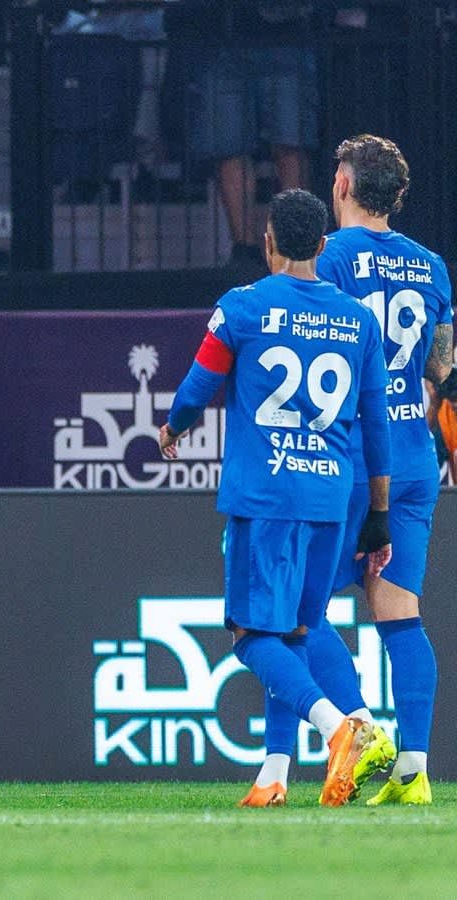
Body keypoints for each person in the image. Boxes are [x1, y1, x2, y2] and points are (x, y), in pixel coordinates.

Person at [157, 188, 397, 807]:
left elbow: (198, 385)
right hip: (329, 498)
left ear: (267, 242)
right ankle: (273, 775)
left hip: (263, 495)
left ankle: (339, 727)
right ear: (322, 246)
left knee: (249, 634)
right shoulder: (358, 320)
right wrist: (377, 514)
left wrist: (174, 428)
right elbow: (377, 425)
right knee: (294, 632)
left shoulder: (242, 307)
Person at [246, 136, 452, 806]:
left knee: (290, 616)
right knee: (399, 612)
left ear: (340, 185)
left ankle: (347, 732)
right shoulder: (431, 267)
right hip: (416, 460)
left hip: (349, 461)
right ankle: (414, 771)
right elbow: (440, 369)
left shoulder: (329, 260)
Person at [164, 3, 317, 270]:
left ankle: (295, 247)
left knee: (291, 143)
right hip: (219, 35)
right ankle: (244, 249)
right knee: (228, 147)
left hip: (284, 34)